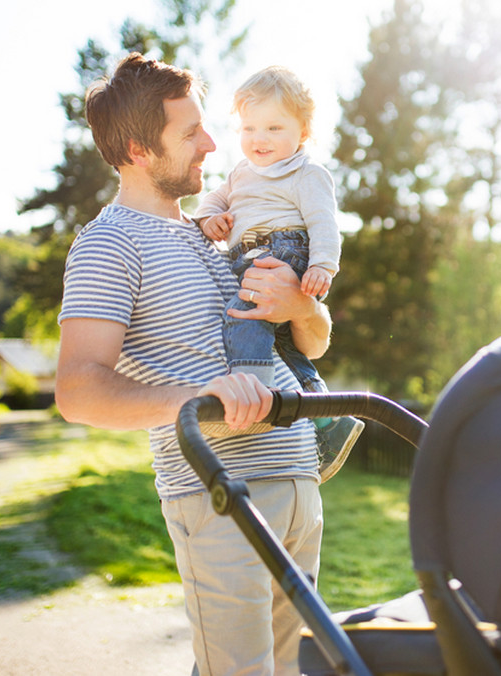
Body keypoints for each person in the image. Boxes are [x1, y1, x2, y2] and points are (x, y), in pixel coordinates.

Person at [54, 53, 329, 676]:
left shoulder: (219, 233)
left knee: (296, 671)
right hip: (218, 493)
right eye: (189, 133)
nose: (212, 143)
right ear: (137, 150)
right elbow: (77, 389)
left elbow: (313, 342)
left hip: (297, 483)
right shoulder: (108, 244)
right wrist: (197, 397)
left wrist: (300, 306)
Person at [193, 66, 361, 482]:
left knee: (243, 314)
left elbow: (324, 223)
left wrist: (323, 265)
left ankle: (254, 392)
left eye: (273, 127)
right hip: (247, 257)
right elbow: (212, 201)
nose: (259, 139)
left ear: (302, 132)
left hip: (281, 254)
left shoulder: (307, 173)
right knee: (285, 342)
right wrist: (210, 218)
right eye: (249, 128)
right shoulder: (240, 173)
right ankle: (329, 421)